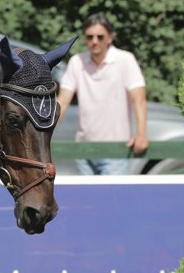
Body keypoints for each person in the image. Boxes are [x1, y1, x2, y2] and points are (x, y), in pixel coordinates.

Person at [57, 13, 148, 176]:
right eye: (89, 37)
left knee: (113, 194)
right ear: (84, 38)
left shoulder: (125, 60)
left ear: (110, 38)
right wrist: (43, 129)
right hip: (83, 149)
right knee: (87, 194)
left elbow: (139, 99)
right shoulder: (76, 62)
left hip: (115, 149)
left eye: (100, 37)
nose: (95, 41)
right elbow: (62, 102)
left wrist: (141, 134)